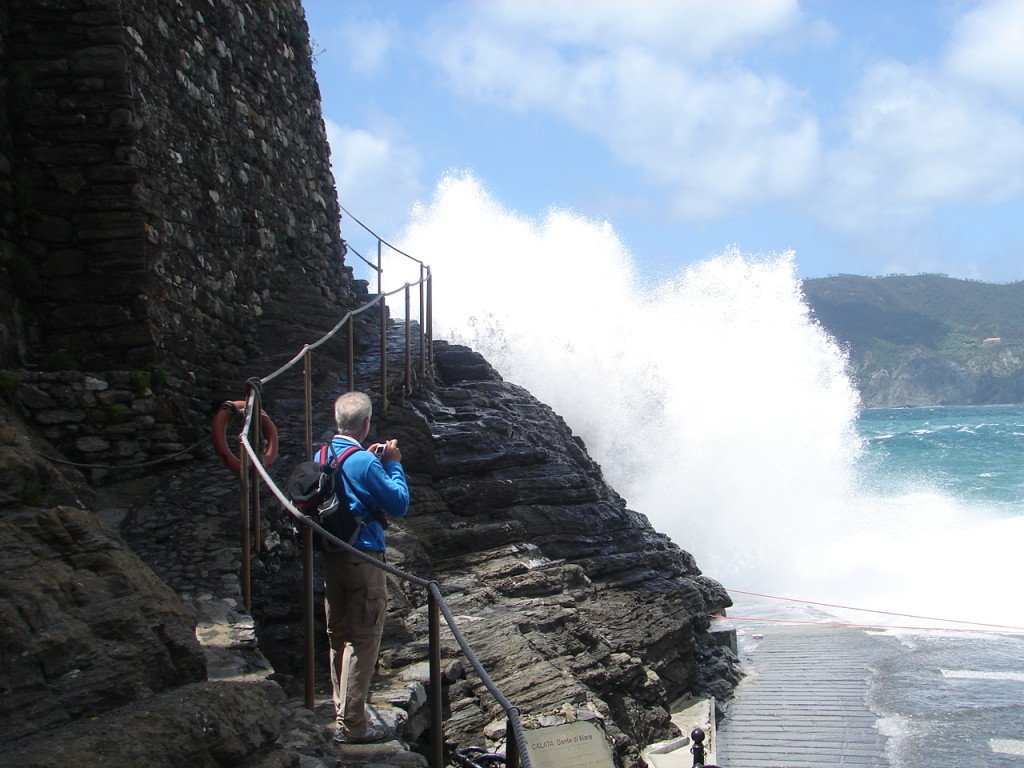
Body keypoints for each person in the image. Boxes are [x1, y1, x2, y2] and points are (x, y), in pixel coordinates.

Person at [318, 391, 410, 744]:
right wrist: (393, 463)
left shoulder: (323, 453)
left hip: (331, 554)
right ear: (366, 423)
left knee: (337, 634)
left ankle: (341, 709)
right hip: (363, 556)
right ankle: (353, 725)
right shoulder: (367, 463)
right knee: (364, 637)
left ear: (338, 420)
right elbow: (398, 503)